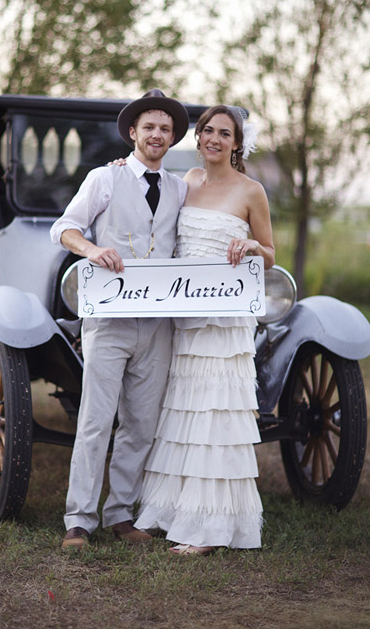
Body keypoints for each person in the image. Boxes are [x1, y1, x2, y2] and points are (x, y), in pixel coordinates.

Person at [50, 89, 189, 549]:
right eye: (149, 127)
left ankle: (120, 514)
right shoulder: (103, 180)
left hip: (157, 325)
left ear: (171, 139)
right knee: (95, 419)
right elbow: (64, 227)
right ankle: (79, 519)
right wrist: (91, 249)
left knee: (141, 425)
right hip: (108, 321)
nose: (156, 135)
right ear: (133, 133)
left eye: (165, 129)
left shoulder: (179, 188)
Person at [134, 104, 275, 555]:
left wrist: (253, 244)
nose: (214, 138)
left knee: (215, 415)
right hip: (185, 315)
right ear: (198, 138)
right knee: (183, 412)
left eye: (224, 133)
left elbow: (270, 253)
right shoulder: (186, 182)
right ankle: (172, 510)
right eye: (208, 130)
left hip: (226, 318)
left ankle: (210, 528)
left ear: (237, 144)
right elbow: (147, 189)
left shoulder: (252, 191)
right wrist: (124, 166)